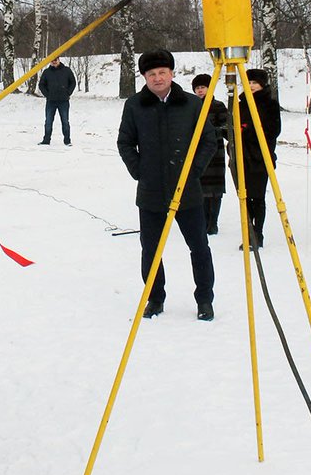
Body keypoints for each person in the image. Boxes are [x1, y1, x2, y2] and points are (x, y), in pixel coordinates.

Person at [117, 49, 216, 321]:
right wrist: (140, 171)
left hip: (188, 192)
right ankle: (155, 298)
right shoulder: (135, 105)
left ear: (172, 74)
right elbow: (125, 142)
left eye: (162, 72)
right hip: (151, 193)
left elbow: (209, 141)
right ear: (145, 78)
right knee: (150, 250)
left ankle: (205, 300)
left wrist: (194, 171)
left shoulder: (192, 105)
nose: (158, 78)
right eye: (152, 74)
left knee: (199, 247)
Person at [237, 68, 282, 249]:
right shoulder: (240, 104)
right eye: (248, 82)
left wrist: (249, 130)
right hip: (242, 157)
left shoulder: (270, 104)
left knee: (258, 197)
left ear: (262, 85)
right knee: (245, 197)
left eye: (254, 83)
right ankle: (248, 234)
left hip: (260, 156)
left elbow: (273, 130)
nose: (251, 86)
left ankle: (258, 233)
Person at [192, 73, 229, 236]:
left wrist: (212, 131)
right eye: (197, 88)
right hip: (198, 151)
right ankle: (203, 221)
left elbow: (227, 128)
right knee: (200, 188)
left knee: (215, 190)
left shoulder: (218, 106)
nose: (200, 91)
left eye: (203, 87)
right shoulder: (192, 106)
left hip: (216, 151)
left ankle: (213, 222)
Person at [38, 55, 76, 146]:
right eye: (52, 60)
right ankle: (46, 140)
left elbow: (73, 82)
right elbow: (41, 85)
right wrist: (47, 95)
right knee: (48, 121)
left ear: (59, 60)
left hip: (64, 101)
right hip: (51, 101)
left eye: (55, 60)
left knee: (65, 121)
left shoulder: (67, 70)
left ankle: (67, 141)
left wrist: (68, 93)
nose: (54, 62)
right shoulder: (46, 72)